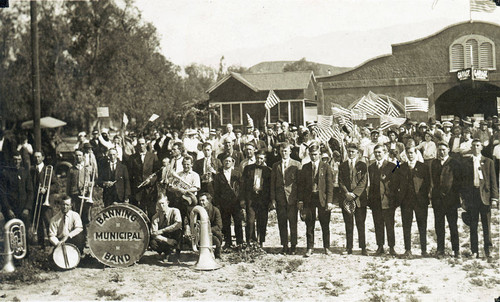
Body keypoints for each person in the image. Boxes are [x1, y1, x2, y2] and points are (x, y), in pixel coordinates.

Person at [460, 139, 498, 259]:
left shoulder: (488, 162)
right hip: (472, 196)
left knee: (486, 225)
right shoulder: (466, 163)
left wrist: (494, 198)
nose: (475, 148)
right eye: (473, 146)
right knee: (473, 224)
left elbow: (493, 181)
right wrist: (464, 199)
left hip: (485, 197)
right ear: (471, 148)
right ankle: (474, 250)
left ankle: (488, 250)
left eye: (477, 145)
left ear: (481, 147)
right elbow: (464, 183)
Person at [395, 145, 431, 258]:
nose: (410, 155)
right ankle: (408, 250)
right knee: (406, 225)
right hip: (406, 201)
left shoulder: (423, 167)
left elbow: (428, 184)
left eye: (412, 153)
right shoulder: (401, 167)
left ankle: (424, 250)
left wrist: (425, 197)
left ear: (416, 153)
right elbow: (397, 183)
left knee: (422, 225)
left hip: (420, 201)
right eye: (408, 153)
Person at [299, 144, 334, 256]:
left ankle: (326, 247)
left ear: (319, 154)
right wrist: (301, 201)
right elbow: (301, 186)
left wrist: (329, 201)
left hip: (322, 199)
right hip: (309, 199)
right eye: (311, 154)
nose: (313, 156)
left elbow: (330, 186)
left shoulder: (326, 166)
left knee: (325, 223)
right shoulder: (305, 167)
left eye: (315, 154)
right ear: (309, 155)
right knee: (309, 223)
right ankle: (310, 247)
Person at [430, 141, 462, 259]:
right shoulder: (434, 163)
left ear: (448, 149)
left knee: (453, 225)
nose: (441, 152)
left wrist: (455, 197)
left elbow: (458, 182)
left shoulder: (454, 163)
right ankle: (440, 249)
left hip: (451, 200)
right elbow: (434, 180)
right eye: (440, 150)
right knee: (439, 226)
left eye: (443, 150)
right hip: (438, 200)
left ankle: (456, 250)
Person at [270, 142, 301, 254]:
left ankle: (293, 245)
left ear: (290, 151)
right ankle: (284, 245)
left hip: (292, 198)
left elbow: (299, 183)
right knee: (282, 223)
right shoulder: (275, 165)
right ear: (279, 152)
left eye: (286, 151)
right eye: (282, 151)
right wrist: (273, 199)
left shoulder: (296, 164)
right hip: (280, 198)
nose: (284, 153)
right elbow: (272, 184)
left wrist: (299, 199)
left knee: (293, 222)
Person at [368, 144, 398, 256]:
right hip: (376, 201)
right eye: (376, 152)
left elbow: (395, 184)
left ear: (385, 152)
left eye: (380, 152)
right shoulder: (371, 167)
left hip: (388, 201)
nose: (377, 154)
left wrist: (392, 199)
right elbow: (371, 185)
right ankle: (380, 246)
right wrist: (370, 201)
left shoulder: (392, 166)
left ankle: (391, 247)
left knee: (390, 225)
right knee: (378, 224)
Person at [338, 143, 368, 256]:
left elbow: (363, 182)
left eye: (353, 152)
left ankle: (363, 247)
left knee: (360, 223)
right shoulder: (343, 165)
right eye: (349, 151)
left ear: (357, 153)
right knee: (348, 223)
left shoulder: (362, 165)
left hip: (359, 199)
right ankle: (349, 247)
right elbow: (340, 181)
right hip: (346, 199)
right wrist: (346, 193)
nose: (351, 154)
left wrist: (354, 194)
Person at [240, 150, 272, 247]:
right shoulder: (248, 168)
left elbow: (271, 187)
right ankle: (250, 241)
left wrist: (270, 200)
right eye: (257, 158)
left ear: (264, 159)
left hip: (263, 198)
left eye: (261, 158)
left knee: (262, 220)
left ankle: (260, 241)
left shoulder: (268, 170)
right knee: (250, 220)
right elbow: (242, 185)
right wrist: (242, 199)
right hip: (251, 197)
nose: (259, 160)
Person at [213, 154, 244, 249]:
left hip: (236, 202)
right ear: (222, 162)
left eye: (229, 161)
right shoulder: (218, 175)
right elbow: (216, 190)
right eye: (225, 161)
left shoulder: (237, 173)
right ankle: (228, 242)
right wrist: (218, 203)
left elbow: (242, 188)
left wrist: (241, 200)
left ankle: (240, 242)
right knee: (226, 223)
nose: (227, 162)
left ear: (232, 162)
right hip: (224, 203)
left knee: (238, 222)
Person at [128, 137, 160, 219]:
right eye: (139, 144)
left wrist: (151, 181)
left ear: (146, 144)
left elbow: (158, 173)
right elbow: (130, 175)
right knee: (139, 213)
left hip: (151, 189)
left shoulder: (153, 156)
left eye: (142, 144)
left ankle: (152, 230)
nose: (141, 146)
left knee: (151, 212)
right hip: (138, 189)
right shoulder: (132, 158)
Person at [168, 156, 201, 235]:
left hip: (190, 200)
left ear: (192, 164)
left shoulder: (195, 175)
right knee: (177, 218)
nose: (186, 166)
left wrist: (186, 190)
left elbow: (196, 188)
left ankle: (192, 237)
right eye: (184, 164)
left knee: (190, 219)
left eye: (188, 164)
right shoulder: (178, 174)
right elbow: (171, 187)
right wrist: (178, 189)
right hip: (178, 199)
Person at [0, 152, 34, 227]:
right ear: (12, 160)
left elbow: (30, 192)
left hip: (24, 210)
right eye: (15, 159)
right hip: (11, 210)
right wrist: (8, 209)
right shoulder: (5, 173)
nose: (17, 162)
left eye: (19, 159)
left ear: (21, 160)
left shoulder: (25, 172)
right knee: (11, 233)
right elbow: (2, 193)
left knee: (26, 235)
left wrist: (27, 208)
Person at [30, 151, 54, 247]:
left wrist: (47, 189)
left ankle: (52, 243)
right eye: (35, 157)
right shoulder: (31, 170)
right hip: (36, 200)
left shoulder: (49, 169)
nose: (37, 159)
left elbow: (56, 185)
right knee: (38, 223)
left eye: (39, 157)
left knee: (48, 222)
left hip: (46, 201)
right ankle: (41, 244)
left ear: (43, 157)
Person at [150, 195, 182, 262]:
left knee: (179, 231)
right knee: (153, 242)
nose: (161, 206)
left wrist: (162, 230)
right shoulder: (155, 217)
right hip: (164, 238)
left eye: (163, 203)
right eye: (159, 204)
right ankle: (166, 253)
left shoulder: (175, 211)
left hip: (173, 234)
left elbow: (178, 224)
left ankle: (177, 254)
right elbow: (153, 233)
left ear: (167, 202)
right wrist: (167, 240)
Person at [199, 193, 223, 258]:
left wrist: (207, 230)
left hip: (212, 232)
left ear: (208, 201)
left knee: (218, 238)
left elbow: (219, 226)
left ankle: (217, 254)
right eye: (200, 201)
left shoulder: (215, 210)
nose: (201, 202)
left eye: (203, 200)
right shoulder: (198, 211)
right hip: (201, 234)